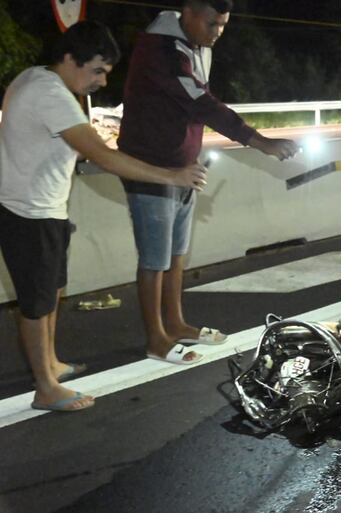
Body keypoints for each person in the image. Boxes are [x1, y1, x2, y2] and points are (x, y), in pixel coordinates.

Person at [0, 21, 208, 412]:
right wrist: (173, 175)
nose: (101, 79)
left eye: (107, 72)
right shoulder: (51, 95)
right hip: (28, 213)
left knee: (51, 291)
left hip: (43, 208)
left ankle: (51, 364)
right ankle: (45, 387)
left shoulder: (35, 79)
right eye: (97, 69)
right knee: (36, 302)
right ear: (68, 59)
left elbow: (74, 147)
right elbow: (103, 157)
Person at [117, 0, 298, 366]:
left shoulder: (194, 47)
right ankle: (156, 338)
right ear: (191, 12)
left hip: (183, 165)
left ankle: (176, 323)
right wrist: (258, 141)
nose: (218, 33)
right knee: (154, 259)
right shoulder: (161, 51)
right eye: (213, 24)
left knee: (177, 253)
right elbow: (201, 102)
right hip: (150, 165)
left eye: (224, 26)